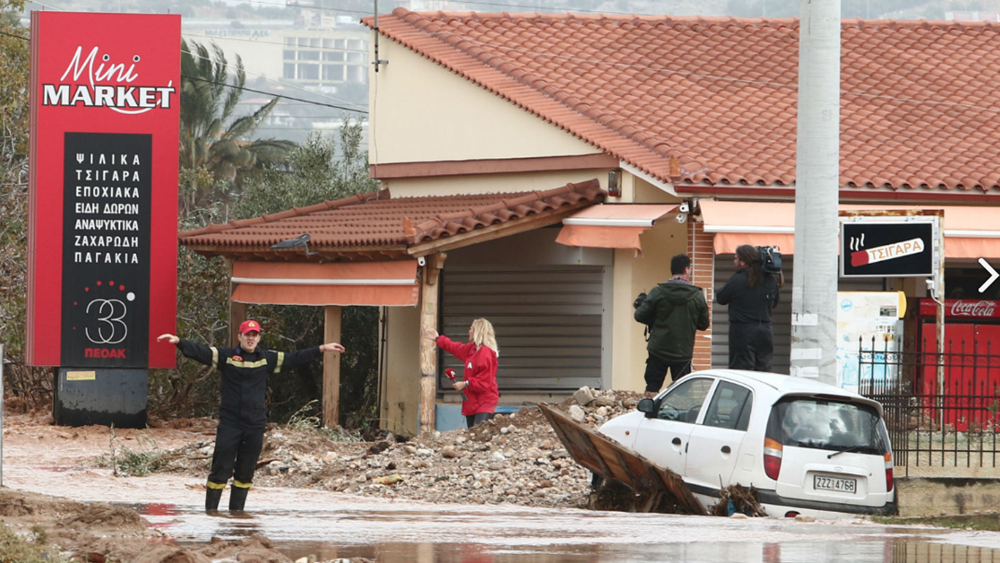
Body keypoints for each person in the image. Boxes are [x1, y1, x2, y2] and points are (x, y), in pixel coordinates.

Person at [157, 320, 345, 513]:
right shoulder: (227, 357)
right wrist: (179, 342)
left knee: (245, 473)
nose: (250, 338)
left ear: (258, 338)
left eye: (254, 335)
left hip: (255, 424)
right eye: (247, 334)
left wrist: (321, 348)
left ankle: (237, 518)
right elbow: (202, 352)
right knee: (221, 469)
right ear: (239, 337)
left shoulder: (266, 359)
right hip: (230, 423)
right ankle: (211, 514)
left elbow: (294, 358)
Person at [634, 253, 710, 394]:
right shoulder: (697, 295)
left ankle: (649, 412)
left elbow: (639, 315)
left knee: (652, 388)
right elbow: (704, 324)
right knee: (682, 391)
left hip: (658, 349)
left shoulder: (658, 292)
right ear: (687, 270)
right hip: (683, 351)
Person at [716, 245, 782, 372]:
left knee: (741, 370)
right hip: (765, 330)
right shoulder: (770, 280)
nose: (734, 261)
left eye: (736, 258)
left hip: (742, 330)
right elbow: (774, 303)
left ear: (743, 261)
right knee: (764, 370)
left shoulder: (737, 279)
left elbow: (721, 298)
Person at [424, 318, 499, 428]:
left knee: (478, 434)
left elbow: (484, 381)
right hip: (472, 402)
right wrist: (438, 338)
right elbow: (455, 347)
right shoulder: (471, 349)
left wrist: (465, 384)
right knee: (472, 434)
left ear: (478, 331)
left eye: (471, 329)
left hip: (484, 401)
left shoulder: (485, 352)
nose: (469, 331)